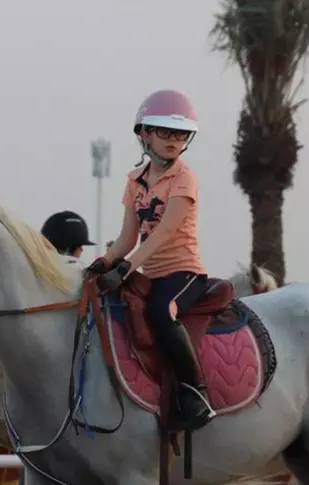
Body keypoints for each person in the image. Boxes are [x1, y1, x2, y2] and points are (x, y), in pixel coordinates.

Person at [85, 88, 215, 432]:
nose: (173, 140)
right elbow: (128, 236)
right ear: (144, 134)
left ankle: (195, 393)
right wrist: (104, 261)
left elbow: (165, 233)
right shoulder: (134, 180)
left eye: (180, 134)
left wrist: (127, 266)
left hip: (184, 272)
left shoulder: (185, 178)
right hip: (150, 272)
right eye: (164, 132)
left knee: (161, 312)